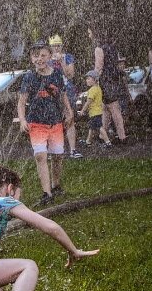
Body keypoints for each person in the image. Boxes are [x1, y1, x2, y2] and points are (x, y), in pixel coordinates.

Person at [17, 40, 75, 207]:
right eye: (36, 56)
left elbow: (63, 95)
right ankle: (46, 192)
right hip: (36, 123)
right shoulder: (29, 77)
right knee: (40, 156)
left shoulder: (56, 74)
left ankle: (56, 185)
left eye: (43, 55)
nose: (39, 59)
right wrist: (22, 119)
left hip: (55, 121)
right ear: (31, 58)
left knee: (57, 156)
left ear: (50, 56)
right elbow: (21, 102)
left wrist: (69, 112)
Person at [87, 24, 127, 143]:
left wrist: (93, 81)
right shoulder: (111, 47)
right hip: (113, 80)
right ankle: (103, 135)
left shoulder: (99, 49)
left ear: (95, 34)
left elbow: (98, 68)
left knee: (114, 109)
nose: (88, 35)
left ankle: (122, 137)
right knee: (105, 108)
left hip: (105, 82)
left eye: (89, 33)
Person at [49, 34, 82, 159]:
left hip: (67, 90)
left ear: (62, 46)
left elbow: (70, 75)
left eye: (58, 45)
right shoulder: (47, 59)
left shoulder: (67, 57)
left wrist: (62, 62)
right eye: (53, 46)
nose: (56, 48)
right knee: (52, 120)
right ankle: (53, 149)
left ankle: (73, 149)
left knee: (69, 118)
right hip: (53, 92)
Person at [78, 70, 112, 148]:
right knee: (91, 127)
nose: (87, 80)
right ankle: (88, 142)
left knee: (100, 128)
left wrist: (82, 110)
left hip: (94, 112)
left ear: (95, 80)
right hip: (97, 112)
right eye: (86, 79)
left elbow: (88, 101)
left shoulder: (92, 90)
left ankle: (108, 142)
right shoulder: (98, 88)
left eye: (89, 79)